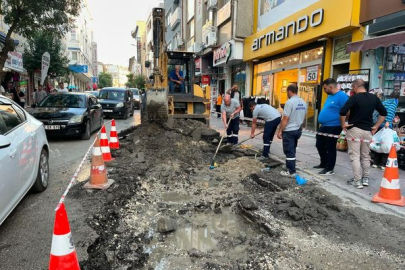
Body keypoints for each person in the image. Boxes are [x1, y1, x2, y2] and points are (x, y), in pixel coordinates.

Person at [340, 79, 387, 189]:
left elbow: (342, 111)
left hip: (354, 130)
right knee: (366, 156)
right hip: (368, 131)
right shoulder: (374, 98)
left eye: (352, 88)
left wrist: (343, 124)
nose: (352, 90)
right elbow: (383, 113)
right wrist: (376, 126)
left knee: (355, 156)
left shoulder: (354, 98)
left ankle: (357, 181)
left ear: (356, 87)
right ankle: (365, 178)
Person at [314, 78, 349, 175]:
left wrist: (343, 122)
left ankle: (329, 168)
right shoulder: (330, 96)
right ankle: (323, 163)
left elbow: (348, 110)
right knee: (319, 144)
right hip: (324, 125)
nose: (324, 91)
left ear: (331, 87)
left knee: (330, 147)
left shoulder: (342, 96)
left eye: (325, 88)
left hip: (333, 126)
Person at [277, 84, 307, 178]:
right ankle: (290, 165)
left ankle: (291, 171)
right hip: (298, 129)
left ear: (289, 91)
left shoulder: (289, 102)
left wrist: (280, 130)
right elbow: (304, 116)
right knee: (292, 149)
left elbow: (285, 118)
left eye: (287, 92)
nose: (287, 94)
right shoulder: (303, 102)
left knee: (289, 150)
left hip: (289, 130)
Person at [371, 91, 399, 170]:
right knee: (386, 145)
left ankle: (375, 162)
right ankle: (383, 164)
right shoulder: (393, 103)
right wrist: (388, 121)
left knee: (378, 144)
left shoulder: (385, 101)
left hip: (379, 124)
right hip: (386, 126)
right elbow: (389, 112)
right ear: (397, 98)